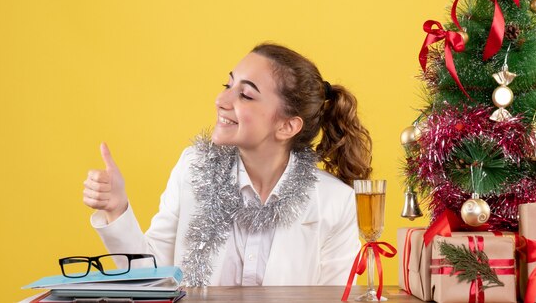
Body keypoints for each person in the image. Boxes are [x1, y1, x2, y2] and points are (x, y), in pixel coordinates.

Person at [83, 43, 373, 287]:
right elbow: (152, 279)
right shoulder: (192, 169)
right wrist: (116, 209)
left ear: (287, 126)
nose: (221, 99)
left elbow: (334, 299)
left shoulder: (336, 202)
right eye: (228, 85)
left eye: (245, 95)